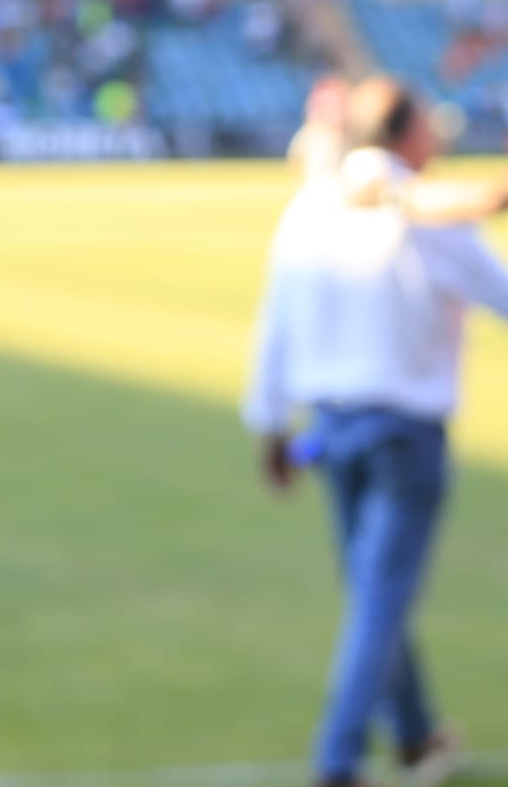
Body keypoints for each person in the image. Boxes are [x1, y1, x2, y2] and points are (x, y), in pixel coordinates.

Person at [242, 76, 508, 787]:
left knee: (373, 592)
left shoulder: (310, 210)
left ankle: (417, 736)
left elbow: (277, 326)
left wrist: (271, 427)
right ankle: (339, 761)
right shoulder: (425, 215)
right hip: (402, 435)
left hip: (330, 431)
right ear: (408, 134)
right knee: (380, 602)